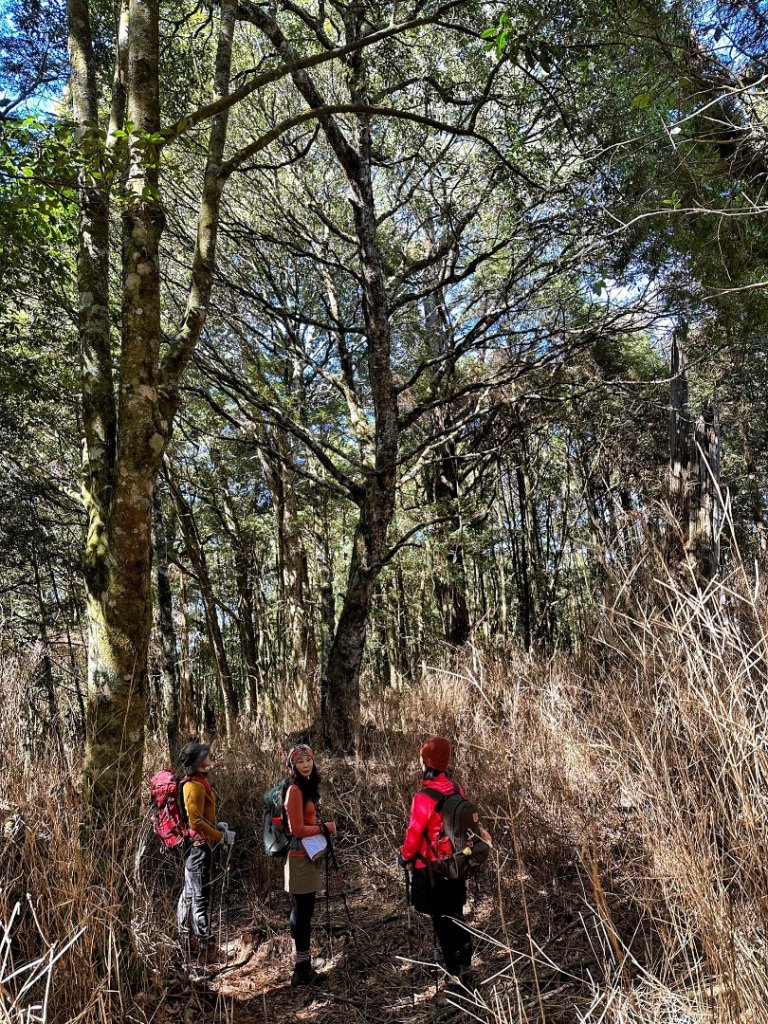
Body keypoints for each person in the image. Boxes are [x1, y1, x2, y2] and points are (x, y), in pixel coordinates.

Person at [399, 736, 473, 996]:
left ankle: (454, 978)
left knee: (442, 921)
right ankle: (466, 968)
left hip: (432, 870)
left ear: (426, 762)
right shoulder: (456, 789)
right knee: (457, 916)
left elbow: (413, 834)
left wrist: (404, 856)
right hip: (457, 864)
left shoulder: (424, 797)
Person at [283, 744, 336, 986]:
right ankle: (301, 969)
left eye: (309, 760)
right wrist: (325, 828)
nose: (306, 764)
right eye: (300, 761)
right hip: (298, 858)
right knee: (302, 912)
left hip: (307, 856)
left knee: (304, 911)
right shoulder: (294, 790)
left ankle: (303, 963)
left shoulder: (305, 787)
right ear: (293, 765)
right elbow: (296, 829)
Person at [176, 741, 235, 955]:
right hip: (197, 849)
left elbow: (203, 818)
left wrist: (217, 826)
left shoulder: (199, 782)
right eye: (206, 755)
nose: (210, 757)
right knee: (198, 897)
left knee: (193, 893)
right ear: (200, 762)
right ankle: (206, 947)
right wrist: (220, 836)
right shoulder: (193, 786)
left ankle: (188, 940)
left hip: (201, 846)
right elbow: (196, 823)